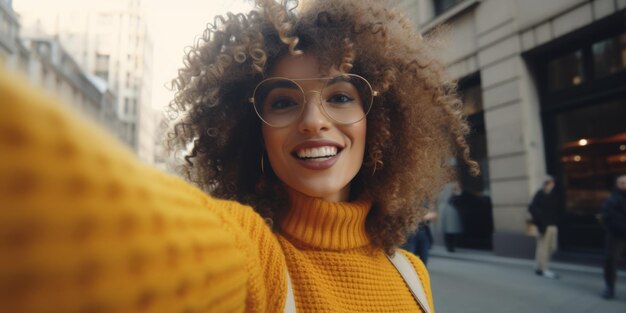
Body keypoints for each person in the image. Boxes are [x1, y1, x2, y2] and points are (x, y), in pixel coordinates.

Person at [0, 0, 479, 312]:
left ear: (379, 123)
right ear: (256, 135)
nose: (313, 120)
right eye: (284, 102)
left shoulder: (412, 275)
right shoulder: (254, 252)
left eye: (339, 96)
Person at [600, 174, 626, 299]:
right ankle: (610, 287)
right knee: (611, 261)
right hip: (616, 235)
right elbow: (609, 217)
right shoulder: (612, 199)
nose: (624, 185)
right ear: (617, 184)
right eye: (621, 183)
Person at [528, 175, 560, 279]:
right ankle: (543, 269)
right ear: (546, 184)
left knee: (552, 247)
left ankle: (539, 266)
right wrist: (540, 219)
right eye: (550, 183)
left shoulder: (553, 195)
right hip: (543, 225)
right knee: (543, 248)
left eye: (552, 183)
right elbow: (532, 208)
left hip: (553, 225)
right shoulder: (539, 195)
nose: (552, 185)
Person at [439, 182, 463, 252]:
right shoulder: (449, 196)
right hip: (450, 217)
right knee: (449, 233)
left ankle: (452, 246)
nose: (458, 188)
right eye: (456, 186)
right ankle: (450, 246)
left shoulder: (456, 195)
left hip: (454, 217)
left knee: (452, 232)